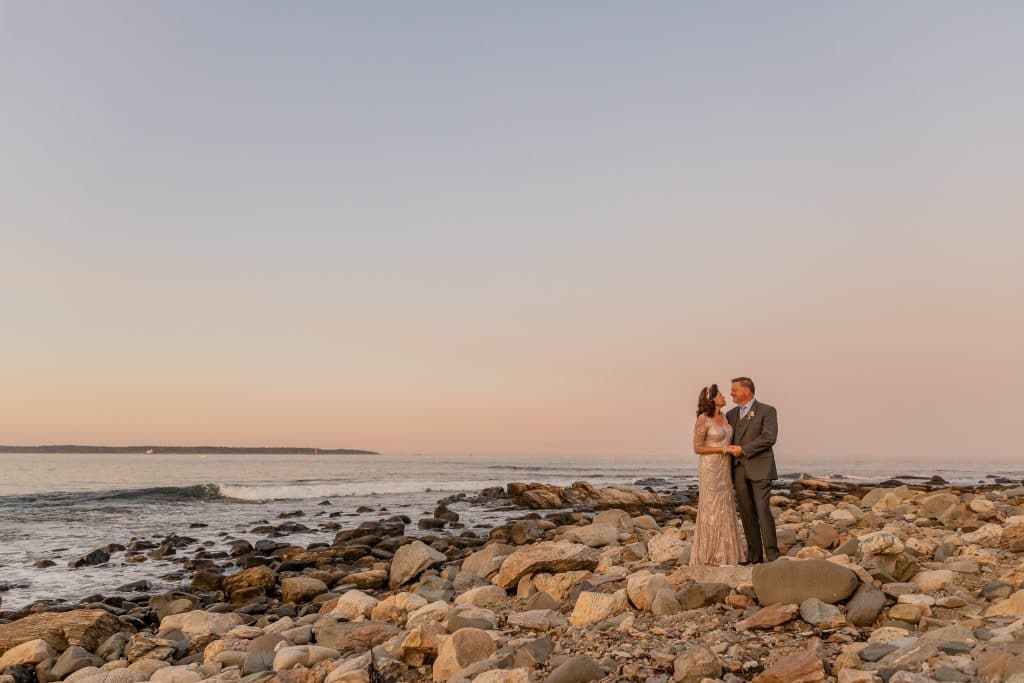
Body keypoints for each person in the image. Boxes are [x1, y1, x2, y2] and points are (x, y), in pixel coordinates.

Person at [725, 376, 780, 564]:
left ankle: (772, 555)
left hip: (761, 469)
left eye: (734, 389)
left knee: (763, 511)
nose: (731, 392)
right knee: (747, 514)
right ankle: (754, 557)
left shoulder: (767, 411)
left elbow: (769, 437)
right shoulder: (730, 415)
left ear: (746, 391)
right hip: (738, 470)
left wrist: (744, 449)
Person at [690, 383, 744, 566]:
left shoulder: (725, 418)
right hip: (710, 468)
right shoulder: (703, 419)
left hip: (725, 467)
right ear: (712, 399)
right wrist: (722, 449)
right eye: (721, 395)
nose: (724, 396)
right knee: (711, 506)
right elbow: (697, 448)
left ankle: (727, 553)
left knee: (725, 504)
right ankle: (708, 552)